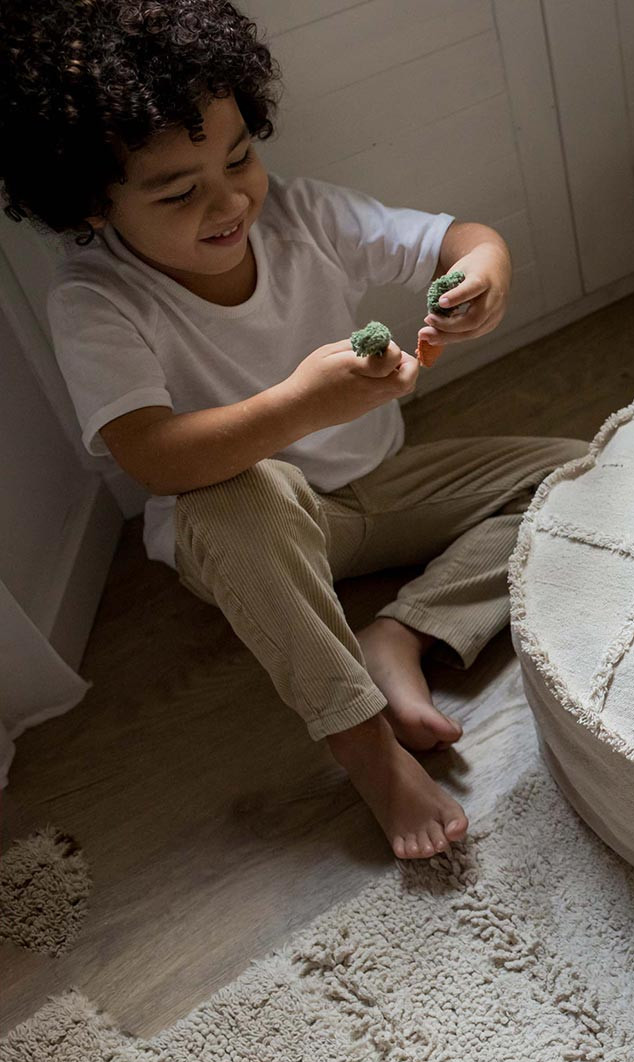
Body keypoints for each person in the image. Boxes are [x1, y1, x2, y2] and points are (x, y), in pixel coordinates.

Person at [0, 0, 586, 858]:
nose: (229, 199)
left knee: (577, 472)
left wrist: (481, 276)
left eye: (239, 158)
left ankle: (403, 632)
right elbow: (152, 457)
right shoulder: (95, 300)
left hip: (377, 485)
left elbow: (461, 237)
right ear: (93, 207)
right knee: (241, 495)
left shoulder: (302, 217)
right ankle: (361, 744)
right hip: (259, 530)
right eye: (177, 192)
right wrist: (305, 405)